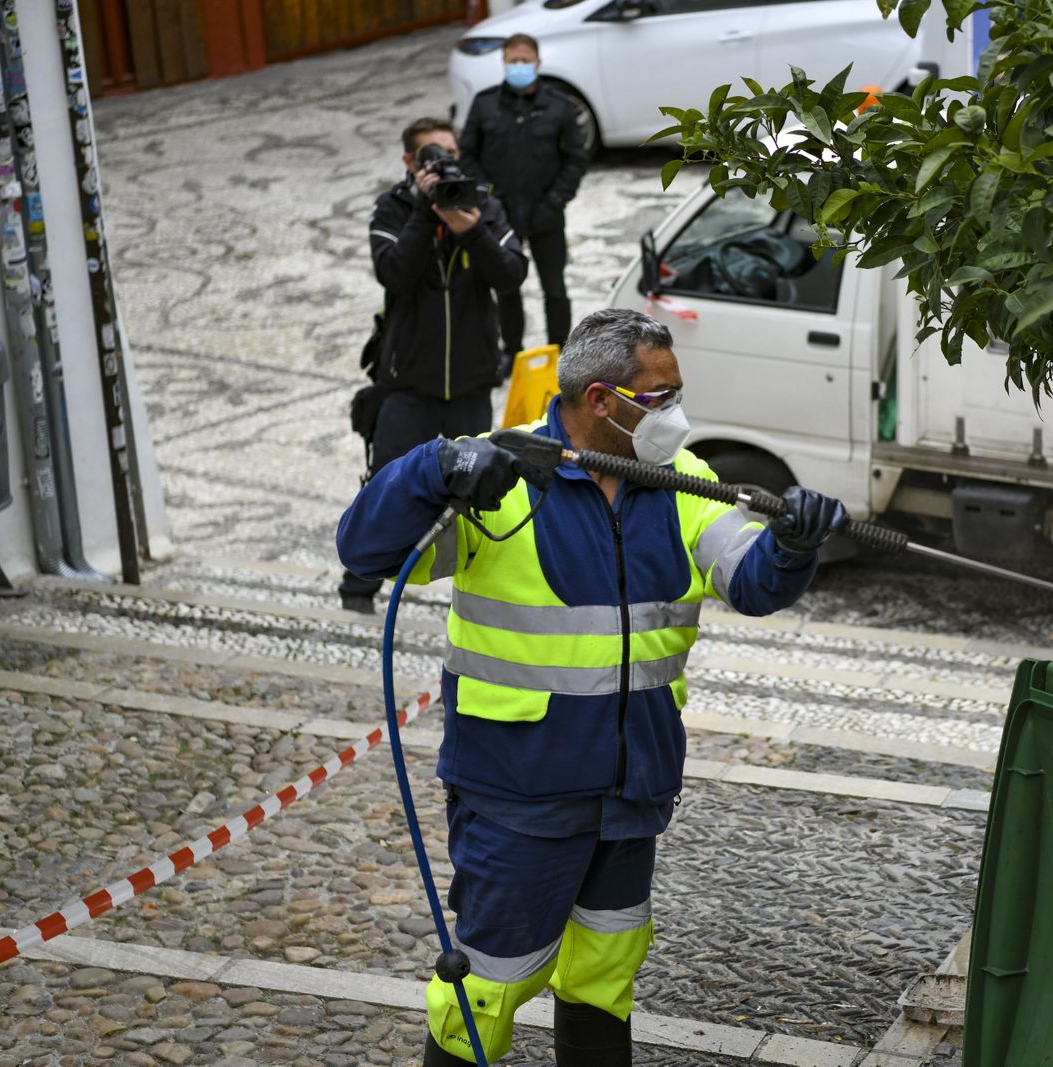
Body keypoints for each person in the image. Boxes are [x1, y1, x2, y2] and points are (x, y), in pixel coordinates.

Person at [335, 308, 848, 1065]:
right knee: (487, 988)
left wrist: (794, 542)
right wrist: (433, 468)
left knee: (606, 978)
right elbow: (363, 546)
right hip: (518, 797)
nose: (677, 411)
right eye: (662, 395)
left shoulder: (683, 482)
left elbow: (754, 580)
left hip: (631, 794)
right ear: (603, 400)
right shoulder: (498, 482)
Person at [338, 117, 528, 614]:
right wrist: (426, 213)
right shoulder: (394, 208)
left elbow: (511, 274)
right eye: (431, 156)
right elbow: (393, 273)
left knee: (480, 489)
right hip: (408, 383)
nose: (444, 164)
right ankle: (357, 591)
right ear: (408, 163)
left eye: (450, 153)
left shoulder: (481, 202)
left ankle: (483, 594)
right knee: (386, 485)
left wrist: (471, 231)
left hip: (470, 383)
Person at [458, 33, 588, 371]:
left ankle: (562, 353)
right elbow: (467, 154)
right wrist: (486, 195)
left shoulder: (559, 107)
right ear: (503, 63)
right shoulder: (485, 104)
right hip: (502, 216)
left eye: (525, 60)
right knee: (506, 286)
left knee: (554, 288)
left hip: (546, 212)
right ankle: (511, 351)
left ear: (537, 62)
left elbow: (576, 158)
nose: (519, 66)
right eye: (513, 61)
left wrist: (557, 198)